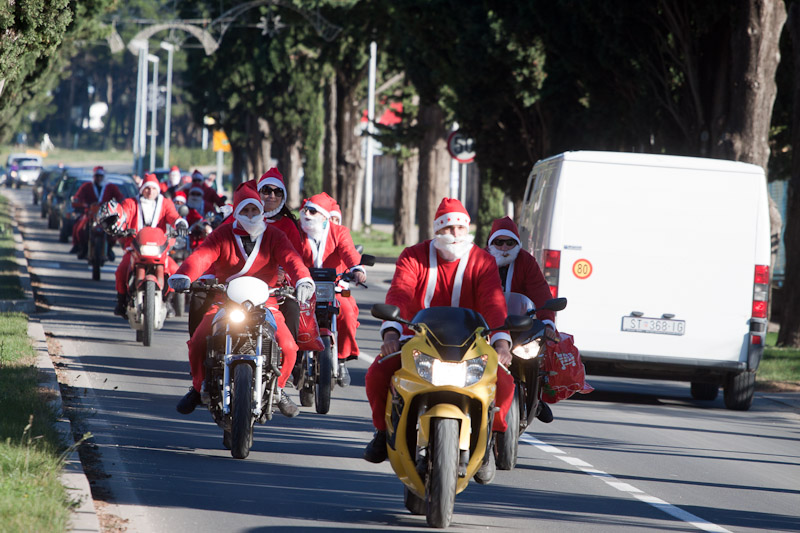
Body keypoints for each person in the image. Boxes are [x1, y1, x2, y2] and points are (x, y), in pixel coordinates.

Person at [363, 198, 514, 471]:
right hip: (418, 341)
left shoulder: (483, 260)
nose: (454, 234)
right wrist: (390, 337)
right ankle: (383, 432)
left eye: (460, 228)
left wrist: (502, 343)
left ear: (467, 229)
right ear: (437, 230)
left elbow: (493, 303)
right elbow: (400, 293)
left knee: (504, 382)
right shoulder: (413, 255)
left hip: (472, 345)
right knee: (377, 373)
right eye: (448, 228)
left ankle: (489, 440)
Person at [167, 183, 315, 417]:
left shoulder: (275, 235)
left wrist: (303, 280)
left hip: (266, 305)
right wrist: (184, 274)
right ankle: (198, 387)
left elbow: (292, 259)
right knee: (197, 342)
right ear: (236, 211)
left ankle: (279, 388)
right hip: (224, 303)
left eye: (254, 210)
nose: (250, 215)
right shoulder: (223, 234)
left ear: (261, 211)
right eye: (245, 211)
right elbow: (202, 256)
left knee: (288, 346)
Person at [487, 216, 559, 423]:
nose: (504, 247)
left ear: (517, 244)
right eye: (498, 242)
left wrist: (547, 321)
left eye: (510, 242)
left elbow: (540, 291)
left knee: (538, 354)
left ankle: (535, 397)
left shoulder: (527, 261)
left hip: (519, 325)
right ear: (490, 243)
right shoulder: (480, 259)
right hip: (488, 327)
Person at [296, 192, 366, 386]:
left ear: (325, 217)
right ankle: (293, 359)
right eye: (306, 210)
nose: (307, 214)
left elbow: (349, 252)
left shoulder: (339, 232)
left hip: (334, 287)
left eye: (313, 211)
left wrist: (357, 269)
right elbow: (288, 254)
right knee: (289, 313)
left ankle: (341, 360)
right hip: (303, 288)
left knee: (347, 312)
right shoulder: (296, 231)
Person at [110, 174, 188, 317]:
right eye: (147, 188)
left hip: (159, 250)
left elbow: (173, 216)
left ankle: (168, 300)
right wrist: (117, 222)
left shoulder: (165, 203)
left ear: (158, 190)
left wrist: (180, 223)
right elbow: (124, 214)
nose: (150, 191)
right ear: (142, 190)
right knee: (121, 271)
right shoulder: (131, 202)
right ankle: (121, 301)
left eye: (153, 188)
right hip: (135, 248)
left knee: (175, 270)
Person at [72, 166, 124, 259]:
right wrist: (80, 203)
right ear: (94, 176)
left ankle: (109, 249)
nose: (99, 178)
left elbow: (119, 197)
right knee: (79, 228)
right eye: (97, 176)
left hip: (106, 215)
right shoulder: (87, 186)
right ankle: (82, 247)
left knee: (113, 230)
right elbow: (78, 197)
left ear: (103, 176)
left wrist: (119, 204)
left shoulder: (110, 187)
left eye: (100, 176)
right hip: (91, 214)